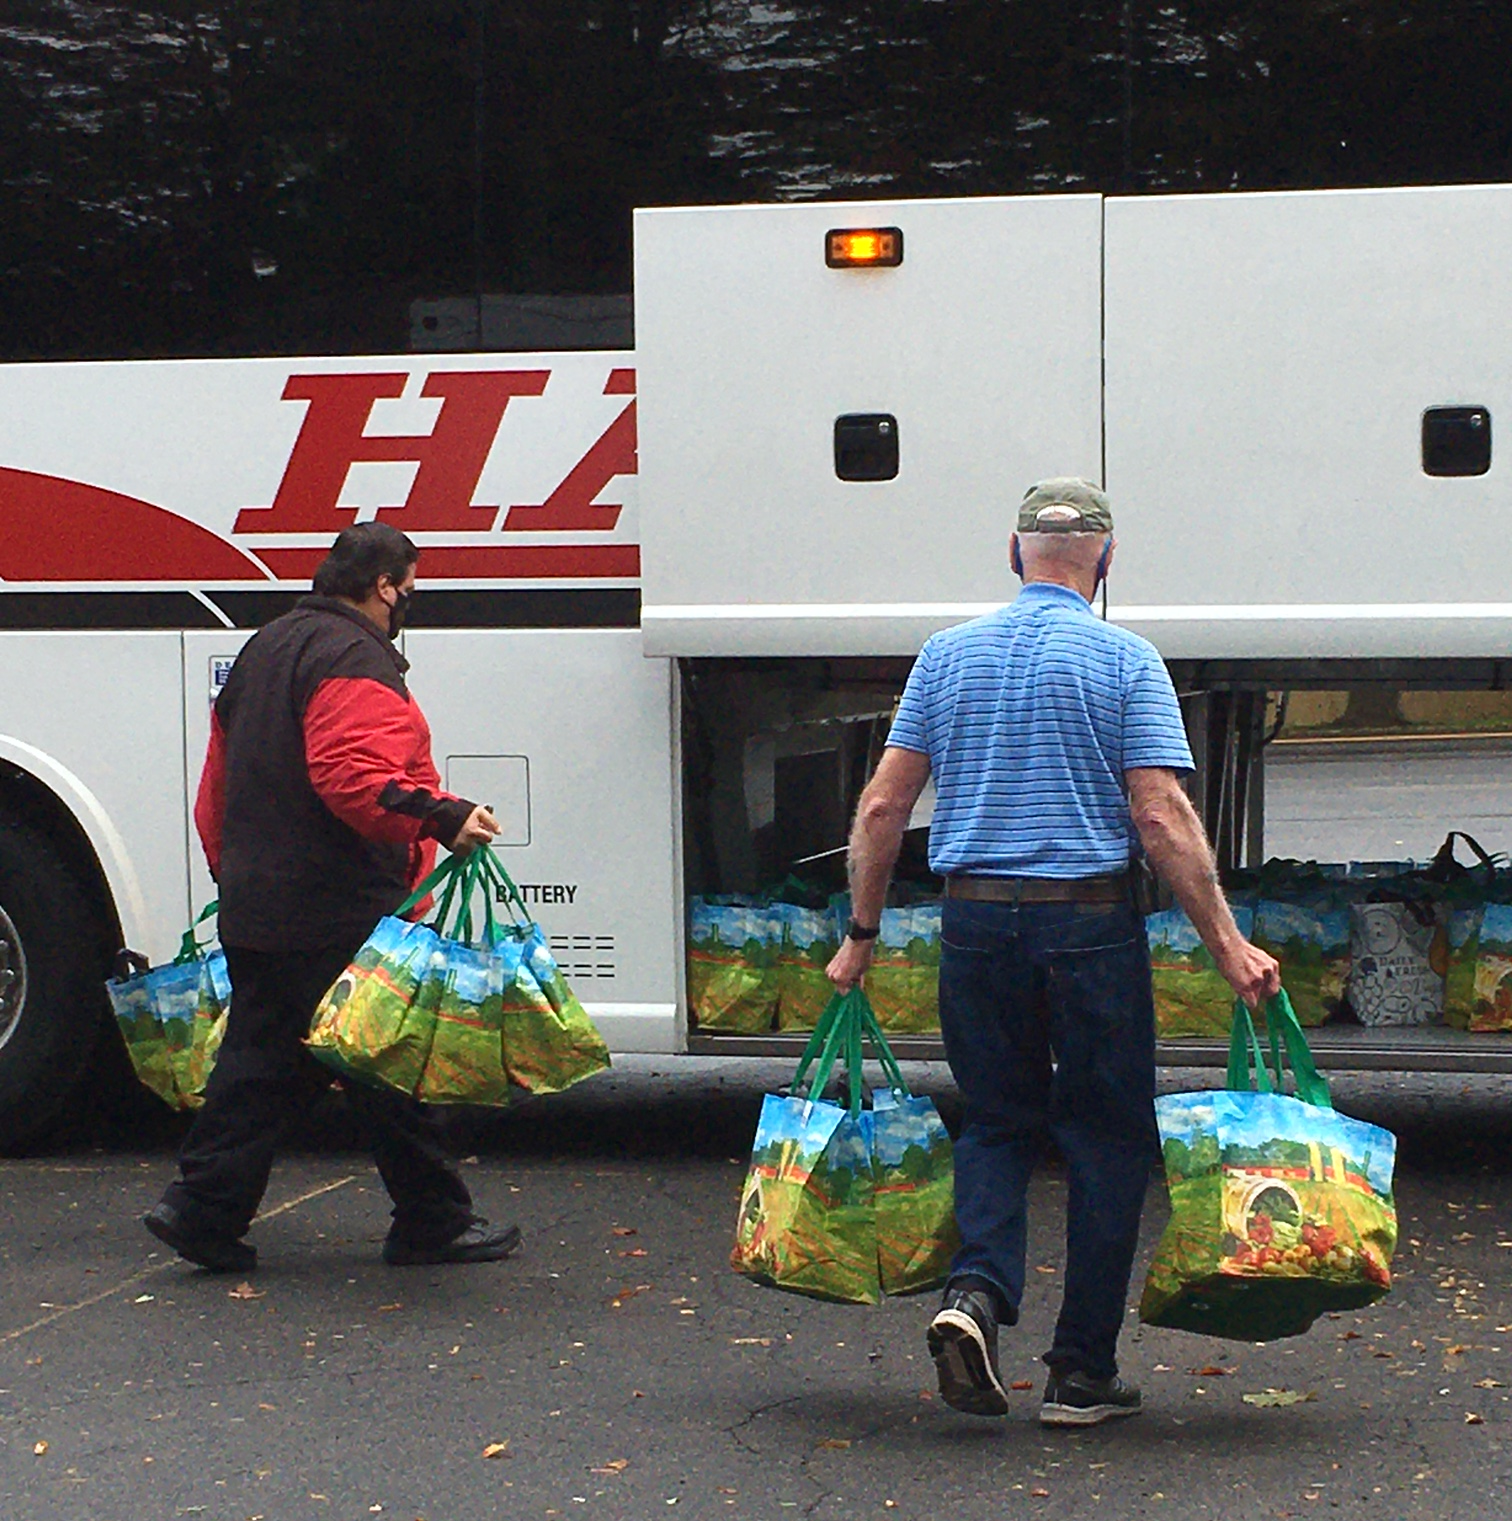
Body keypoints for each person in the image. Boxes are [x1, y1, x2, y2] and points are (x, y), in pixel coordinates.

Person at [827, 479, 1280, 1427]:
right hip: (1088, 924)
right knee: (1105, 1138)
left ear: (1012, 553)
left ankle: (976, 1297)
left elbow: (881, 807)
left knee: (994, 1122)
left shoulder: (945, 659)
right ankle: (1080, 1373)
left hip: (976, 921)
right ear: (1105, 561)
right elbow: (1159, 814)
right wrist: (1229, 944)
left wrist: (860, 936)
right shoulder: (1126, 660)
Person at [145, 522, 520, 1274]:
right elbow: (354, 777)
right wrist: (443, 816)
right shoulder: (352, 657)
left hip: (264, 901)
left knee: (259, 1067)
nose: (410, 601)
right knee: (387, 1061)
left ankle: (202, 1210)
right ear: (385, 585)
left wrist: (233, 874)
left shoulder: (266, 646)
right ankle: (431, 1220)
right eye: (409, 587)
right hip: (335, 903)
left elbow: (217, 786)